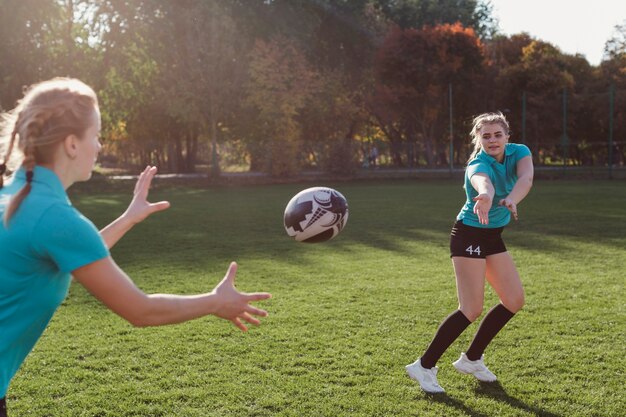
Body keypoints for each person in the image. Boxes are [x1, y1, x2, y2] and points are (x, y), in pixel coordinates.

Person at [0, 78, 271, 416]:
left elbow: (74, 255)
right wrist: (215, 302)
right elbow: (140, 310)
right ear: (72, 144)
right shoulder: (54, 217)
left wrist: (129, 218)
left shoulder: (14, 198)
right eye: (96, 135)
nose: (99, 147)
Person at [405, 111, 533, 393]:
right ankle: (423, 366)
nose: (492, 140)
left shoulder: (520, 152)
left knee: (514, 299)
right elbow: (481, 181)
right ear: (478, 139)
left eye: (498, 134)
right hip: (468, 235)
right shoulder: (478, 162)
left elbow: (526, 178)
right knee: (471, 308)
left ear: (507, 136)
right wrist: (486, 196)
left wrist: (511, 199)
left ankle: (472, 358)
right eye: (485, 135)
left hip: (492, 236)